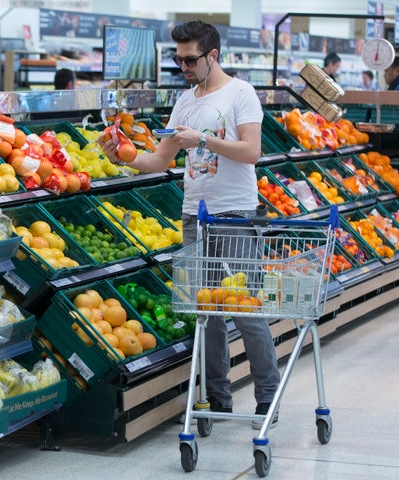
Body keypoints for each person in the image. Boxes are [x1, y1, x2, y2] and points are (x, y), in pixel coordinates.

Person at [97, 20, 280, 429]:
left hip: (235, 215)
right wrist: (121, 157)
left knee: (246, 310)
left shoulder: (241, 93)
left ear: (212, 55)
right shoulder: (184, 100)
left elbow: (251, 151)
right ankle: (218, 399)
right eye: (178, 59)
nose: (184, 65)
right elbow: (160, 160)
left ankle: (268, 395)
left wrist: (204, 141)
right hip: (193, 216)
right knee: (207, 312)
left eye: (191, 59)